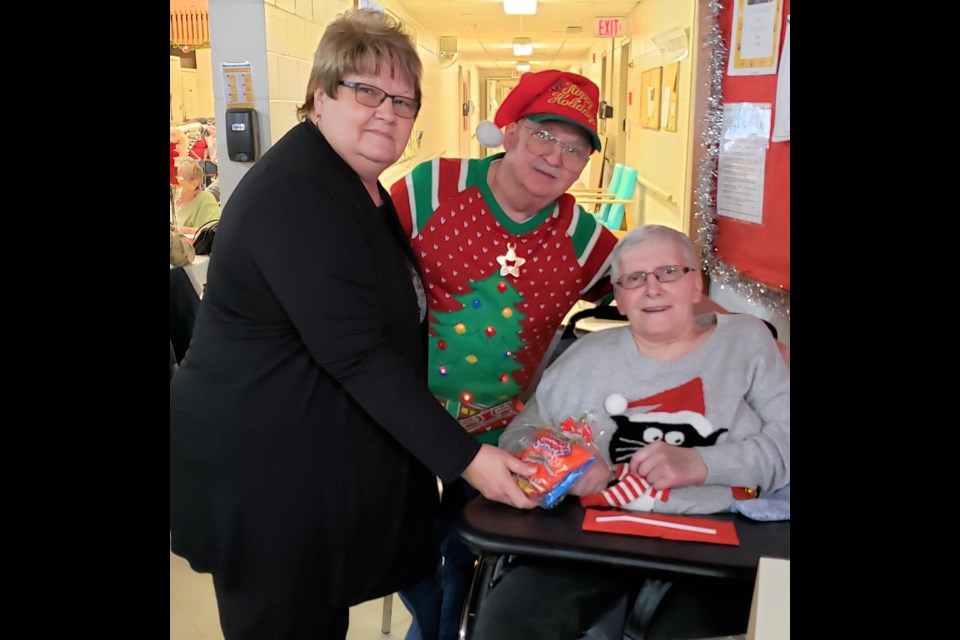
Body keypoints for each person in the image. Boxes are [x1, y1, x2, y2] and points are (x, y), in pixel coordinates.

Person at [169, 9, 536, 640]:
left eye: (403, 100)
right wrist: (470, 460)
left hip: (306, 473)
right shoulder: (300, 192)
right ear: (320, 93)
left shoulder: (356, 184)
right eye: (365, 90)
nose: (387, 112)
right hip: (262, 479)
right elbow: (357, 354)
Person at [471, 224, 790, 640]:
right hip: (591, 536)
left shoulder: (747, 342)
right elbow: (521, 434)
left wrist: (702, 463)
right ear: (619, 298)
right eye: (635, 279)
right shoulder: (584, 358)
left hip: (717, 543)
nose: (652, 289)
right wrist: (565, 465)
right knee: (508, 627)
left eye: (669, 273)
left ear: (696, 284)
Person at [390, 69, 620, 640]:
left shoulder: (586, 239)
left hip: (501, 440)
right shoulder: (430, 189)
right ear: (511, 132)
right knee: (405, 555)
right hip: (404, 424)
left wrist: (741, 331)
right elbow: (357, 270)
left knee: (468, 561)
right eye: (544, 135)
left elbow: (649, 289)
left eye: (575, 150)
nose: (555, 158)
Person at [173, 158, 221, 234]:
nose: (171, 182)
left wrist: (177, 230)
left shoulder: (205, 200)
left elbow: (211, 234)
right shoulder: (173, 201)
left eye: (175, 178)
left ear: (194, 184)